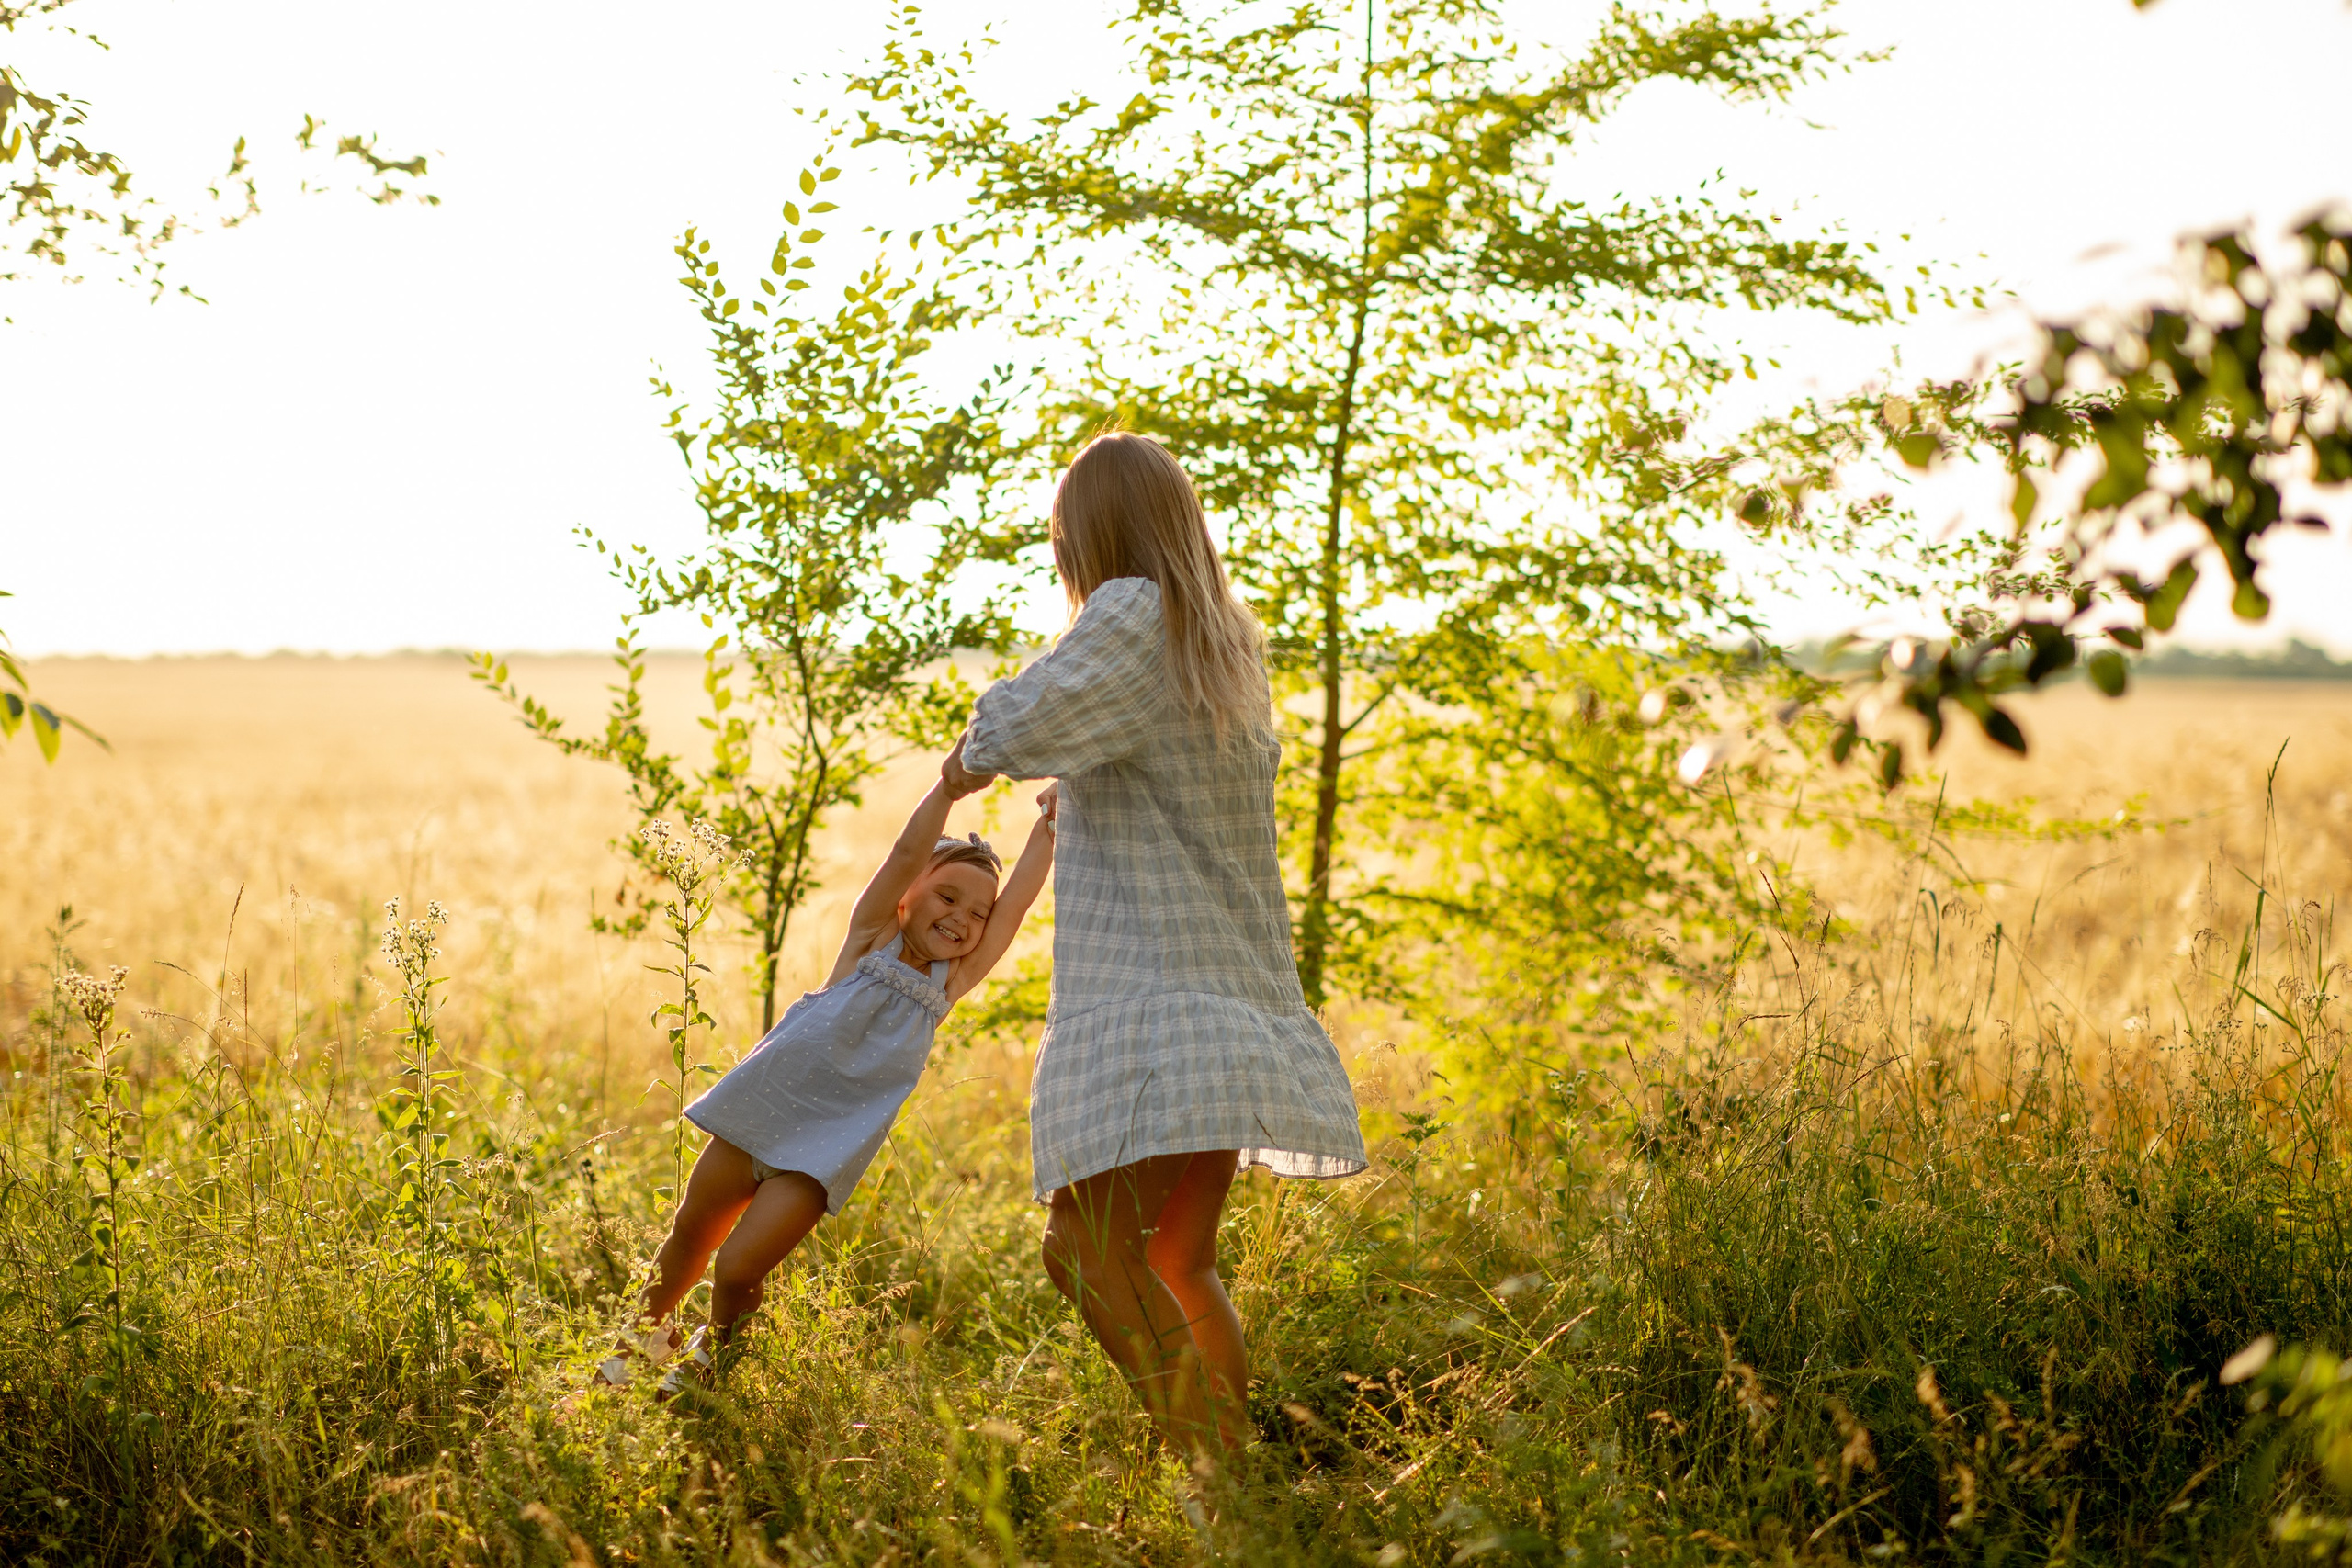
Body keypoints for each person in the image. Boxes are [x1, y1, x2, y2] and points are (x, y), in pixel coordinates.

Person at [944, 430, 1367, 1455]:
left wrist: (972, 754)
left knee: (1083, 1254)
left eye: (1061, 534)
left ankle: (1207, 1469)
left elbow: (1003, 733)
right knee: (1178, 1262)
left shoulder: (1129, 613)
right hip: (1231, 1011)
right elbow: (1147, 767)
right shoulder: (1219, 639)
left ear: (1086, 536)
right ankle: (1237, 1493)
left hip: (1156, 1013)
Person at [594, 778, 1056, 1396]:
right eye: (947, 895)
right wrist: (949, 781)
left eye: (977, 912)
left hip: (823, 1152)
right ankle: (639, 1340)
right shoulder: (869, 941)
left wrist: (1050, 823)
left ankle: (711, 1361)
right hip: (759, 1110)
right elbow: (900, 852)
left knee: (736, 1267)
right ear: (906, 896)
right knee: (691, 1231)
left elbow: (1018, 902)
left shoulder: (949, 983)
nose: (962, 918)